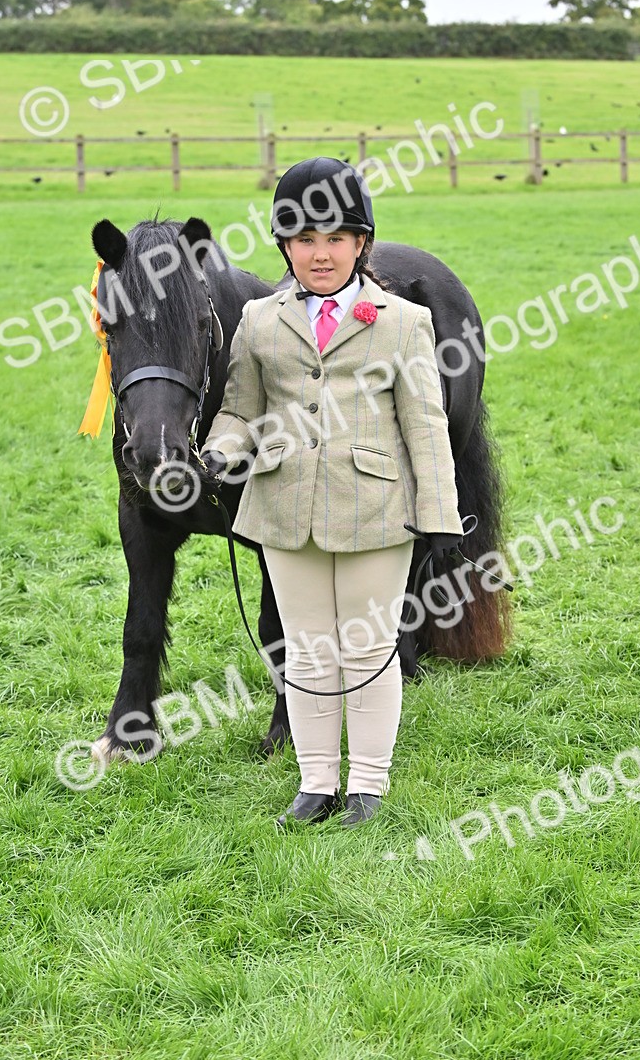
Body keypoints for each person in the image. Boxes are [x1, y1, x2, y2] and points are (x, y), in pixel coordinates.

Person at [200, 157, 464, 829]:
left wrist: (437, 516)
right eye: (305, 240)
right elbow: (239, 411)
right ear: (285, 246)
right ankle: (316, 784)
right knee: (308, 649)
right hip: (284, 508)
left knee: (369, 650)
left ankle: (367, 786)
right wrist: (217, 453)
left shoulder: (403, 321)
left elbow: (426, 424)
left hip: (378, 510)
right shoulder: (259, 321)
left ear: (361, 244)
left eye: (336, 238)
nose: (321, 254)